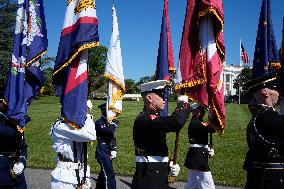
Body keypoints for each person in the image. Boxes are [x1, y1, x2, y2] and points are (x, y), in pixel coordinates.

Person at [131, 80, 192, 189]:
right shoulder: (145, 119)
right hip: (149, 177)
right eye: (161, 95)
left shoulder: (152, 118)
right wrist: (183, 104)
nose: (165, 99)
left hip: (156, 172)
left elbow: (154, 149)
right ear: (150, 98)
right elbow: (175, 123)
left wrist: (168, 166)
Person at [243, 73, 284, 189]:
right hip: (270, 180)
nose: (278, 92)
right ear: (265, 92)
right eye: (275, 88)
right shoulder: (267, 117)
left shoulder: (261, 115)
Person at [50, 100, 96, 189]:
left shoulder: (77, 125)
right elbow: (91, 135)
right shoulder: (60, 126)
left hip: (81, 173)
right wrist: (87, 114)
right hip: (65, 178)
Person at [184, 104, 216, 189]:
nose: (201, 112)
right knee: (208, 184)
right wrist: (213, 116)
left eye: (201, 110)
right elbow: (212, 129)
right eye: (197, 110)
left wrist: (207, 148)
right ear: (193, 111)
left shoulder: (197, 122)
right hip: (198, 155)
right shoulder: (196, 123)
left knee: (192, 182)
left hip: (197, 153)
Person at [0, 101, 28, 189]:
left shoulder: (16, 118)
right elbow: (7, 133)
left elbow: (22, 146)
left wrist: (22, 162)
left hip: (17, 176)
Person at [95, 103, 118, 189]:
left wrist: (114, 149)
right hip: (102, 150)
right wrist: (115, 121)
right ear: (104, 111)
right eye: (110, 111)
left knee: (103, 173)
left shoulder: (109, 122)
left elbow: (112, 137)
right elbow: (110, 132)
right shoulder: (98, 123)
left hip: (108, 150)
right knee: (109, 174)